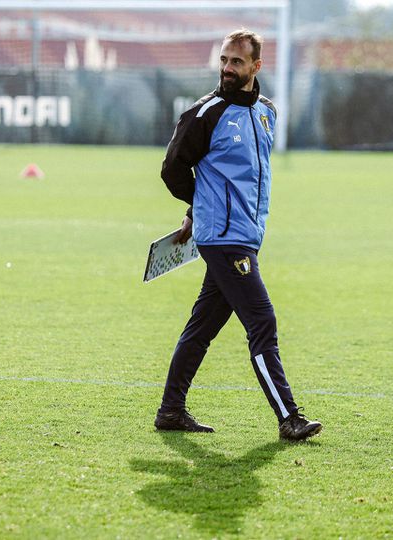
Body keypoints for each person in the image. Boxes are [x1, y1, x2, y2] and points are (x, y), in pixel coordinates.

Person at [153, 29, 322, 441]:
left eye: (236, 62)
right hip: (223, 239)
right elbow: (172, 169)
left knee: (201, 329)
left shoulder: (266, 111)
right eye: (224, 61)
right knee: (262, 321)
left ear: (256, 67)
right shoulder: (204, 114)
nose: (228, 69)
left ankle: (170, 411)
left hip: (246, 235)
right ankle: (289, 417)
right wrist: (200, 206)